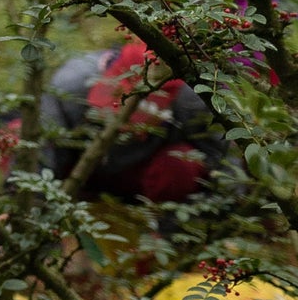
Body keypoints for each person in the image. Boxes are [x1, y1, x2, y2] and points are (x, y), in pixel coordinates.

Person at [39, 40, 225, 203]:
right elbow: (43, 147)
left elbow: (221, 160)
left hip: (142, 178)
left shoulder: (192, 102)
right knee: (20, 130)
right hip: (80, 172)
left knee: (182, 163)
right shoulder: (72, 82)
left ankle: (168, 231)